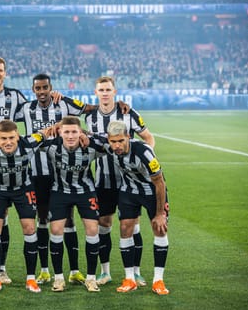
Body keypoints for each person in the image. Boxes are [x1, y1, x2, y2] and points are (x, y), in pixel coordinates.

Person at [0, 56, 61, 284]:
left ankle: (2, 269)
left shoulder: (16, 97)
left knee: (1, 218)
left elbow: (32, 112)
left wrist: (57, 97)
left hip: (6, 168)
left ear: (5, 73)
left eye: (0, 70)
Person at [15, 73, 88, 286]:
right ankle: (45, 270)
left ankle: (74, 270)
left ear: (51, 88)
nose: (41, 92)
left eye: (45, 87)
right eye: (37, 88)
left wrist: (118, 104)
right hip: (38, 174)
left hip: (62, 173)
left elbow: (88, 110)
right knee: (43, 219)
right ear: (33, 89)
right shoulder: (26, 109)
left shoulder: (63, 104)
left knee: (69, 219)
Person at [84, 76, 154, 287]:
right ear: (96, 93)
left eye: (108, 89)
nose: (105, 93)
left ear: (114, 91)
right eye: (101, 90)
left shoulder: (128, 113)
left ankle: (136, 272)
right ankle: (105, 272)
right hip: (103, 181)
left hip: (128, 182)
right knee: (104, 225)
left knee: (132, 227)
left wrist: (147, 158)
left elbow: (148, 137)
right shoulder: (90, 117)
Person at [0, 120, 45, 293]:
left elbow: (47, 132)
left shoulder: (30, 143)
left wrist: (81, 134)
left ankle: (31, 278)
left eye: (12, 138)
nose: (8, 142)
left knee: (30, 228)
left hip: (23, 189)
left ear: (18, 136)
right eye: (3, 138)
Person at [104, 120, 169, 295]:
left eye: (120, 141)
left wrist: (160, 213)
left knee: (159, 228)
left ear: (128, 137)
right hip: (129, 191)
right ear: (108, 139)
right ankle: (129, 279)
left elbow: (160, 182)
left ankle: (158, 281)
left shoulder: (144, 152)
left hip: (152, 192)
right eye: (113, 141)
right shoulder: (107, 144)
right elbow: (87, 136)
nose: (116, 145)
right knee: (125, 229)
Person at [42, 116, 104, 292]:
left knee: (93, 230)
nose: (70, 136)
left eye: (74, 132)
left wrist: (89, 134)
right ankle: (59, 278)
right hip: (60, 191)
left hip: (85, 192)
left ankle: (91, 278)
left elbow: (110, 142)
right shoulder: (51, 145)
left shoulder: (90, 147)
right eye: (66, 131)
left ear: (80, 132)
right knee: (55, 231)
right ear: (60, 132)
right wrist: (48, 129)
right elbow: (27, 141)